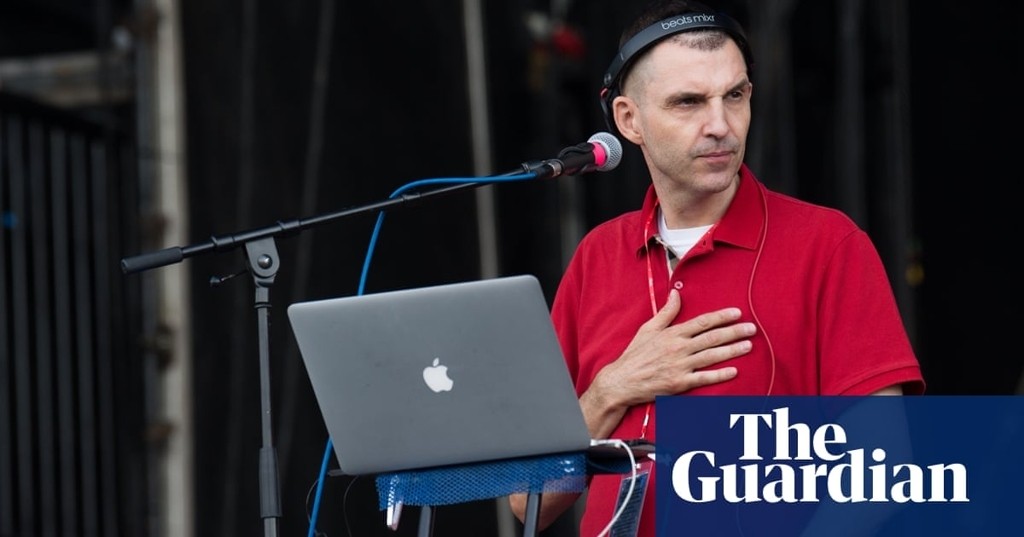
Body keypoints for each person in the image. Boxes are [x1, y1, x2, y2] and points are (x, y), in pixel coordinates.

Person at [509, 1, 926, 535]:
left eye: (734, 95)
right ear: (629, 120)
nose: (720, 125)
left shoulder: (828, 244)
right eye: (688, 102)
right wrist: (612, 389)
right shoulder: (597, 256)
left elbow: (880, 463)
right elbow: (528, 501)